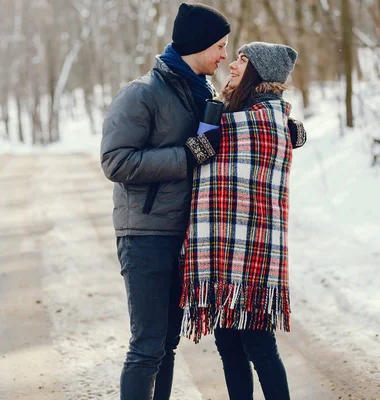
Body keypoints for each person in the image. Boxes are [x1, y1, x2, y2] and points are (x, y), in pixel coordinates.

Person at [100, 3, 231, 399]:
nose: (224, 55)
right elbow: (115, 161)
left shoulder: (201, 92)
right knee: (146, 346)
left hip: (185, 233)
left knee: (166, 345)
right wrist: (187, 154)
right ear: (198, 45)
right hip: (145, 233)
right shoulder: (141, 93)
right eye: (220, 46)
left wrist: (283, 126)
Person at [180, 42, 306, 400]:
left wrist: (205, 136)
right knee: (227, 344)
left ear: (258, 72)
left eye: (242, 60)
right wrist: (207, 130)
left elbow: (207, 148)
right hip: (221, 246)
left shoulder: (266, 119)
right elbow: (206, 148)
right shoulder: (233, 109)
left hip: (253, 249)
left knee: (259, 345)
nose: (233, 65)